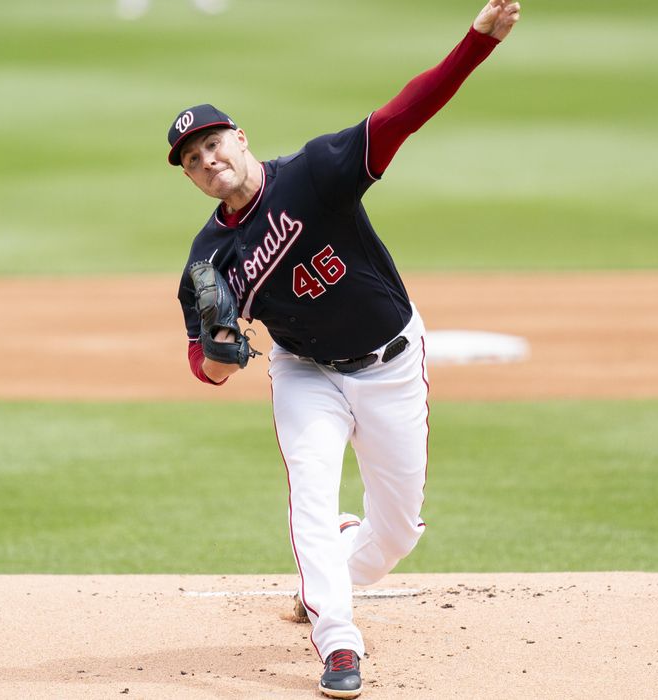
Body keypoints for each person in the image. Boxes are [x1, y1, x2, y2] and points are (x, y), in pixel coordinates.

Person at [168, 2, 520, 697]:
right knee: (310, 492)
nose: (208, 160)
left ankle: (326, 579)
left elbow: (402, 115)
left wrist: (476, 43)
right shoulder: (209, 261)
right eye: (192, 159)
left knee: (395, 536)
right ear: (188, 176)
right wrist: (218, 354)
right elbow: (203, 368)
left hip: (392, 361)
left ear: (240, 139)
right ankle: (337, 643)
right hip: (305, 375)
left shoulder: (316, 171)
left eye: (214, 143)